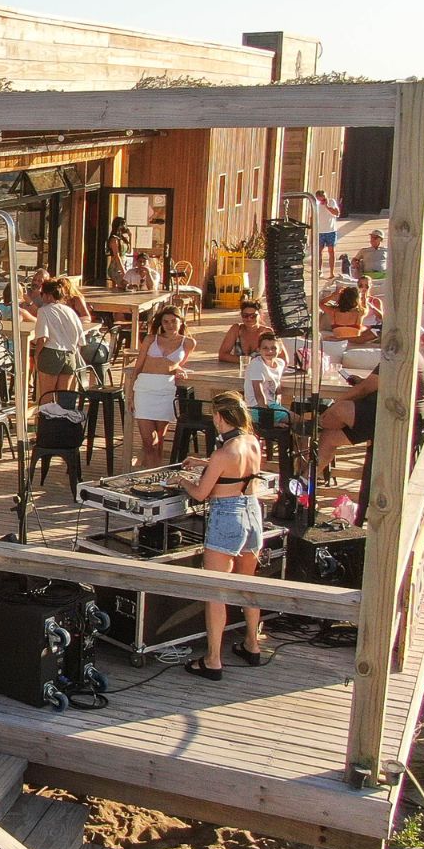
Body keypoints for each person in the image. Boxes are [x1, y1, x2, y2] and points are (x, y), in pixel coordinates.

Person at [179, 393, 265, 680]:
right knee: (247, 583)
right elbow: (234, 472)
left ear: (219, 417)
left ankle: (213, 659)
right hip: (253, 512)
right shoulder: (252, 442)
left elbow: (201, 493)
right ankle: (252, 644)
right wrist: (205, 463)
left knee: (216, 591)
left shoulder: (222, 452)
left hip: (227, 516)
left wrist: (181, 480)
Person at [130, 306, 195, 468]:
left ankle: (154, 479)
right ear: (161, 323)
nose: (170, 325)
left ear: (181, 322)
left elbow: (178, 363)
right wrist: (130, 394)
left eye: (174, 321)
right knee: (148, 442)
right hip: (144, 389)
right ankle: (149, 476)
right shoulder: (151, 339)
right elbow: (138, 367)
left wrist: (178, 369)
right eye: (166, 322)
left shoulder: (188, 342)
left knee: (159, 442)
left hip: (165, 391)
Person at [317, 370, 380, 481]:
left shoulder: (396, 355)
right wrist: (362, 381)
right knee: (329, 437)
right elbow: (373, 383)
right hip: (376, 413)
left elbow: (364, 389)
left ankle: (318, 423)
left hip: (387, 418)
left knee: (339, 410)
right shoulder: (390, 357)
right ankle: (305, 480)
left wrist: (334, 404)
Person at [30, 278, 86, 400]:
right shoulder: (70, 311)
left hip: (51, 353)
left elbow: (42, 338)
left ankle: (46, 419)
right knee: (64, 399)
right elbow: (81, 339)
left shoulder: (43, 311)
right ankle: (62, 419)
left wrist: (36, 355)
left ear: (48, 295)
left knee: (47, 397)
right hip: (70, 355)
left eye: (42, 294)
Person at [244, 331, 288, 429]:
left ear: (280, 350)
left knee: (298, 422)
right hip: (257, 409)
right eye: (265, 348)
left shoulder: (280, 363)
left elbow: (277, 386)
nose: (270, 351)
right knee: (301, 421)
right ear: (258, 350)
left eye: (273, 348)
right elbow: (259, 395)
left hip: (272, 405)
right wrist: (268, 422)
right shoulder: (256, 365)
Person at [216, 300, 279, 365]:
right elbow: (222, 355)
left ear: (260, 315)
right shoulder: (236, 329)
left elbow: (283, 358)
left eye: (253, 316)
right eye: (245, 315)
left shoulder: (267, 332)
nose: (249, 319)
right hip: (237, 371)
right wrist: (249, 361)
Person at [314, 191, 342, 277]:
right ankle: (319, 270)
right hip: (320, 231)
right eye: (320, 200)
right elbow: (312, 217)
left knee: (331, 251)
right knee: (319, 252)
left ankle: (331, 272)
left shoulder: (332, 202)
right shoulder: (315, 204)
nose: (322, 201)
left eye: (324, 199)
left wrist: (327, 206)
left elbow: (337, 213)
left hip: (331, 231)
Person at [106, 217, 133, 284]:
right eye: (123, 224)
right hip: (116, 267)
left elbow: (129, 251)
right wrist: (123, 271)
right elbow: (117, 256)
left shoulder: (122, 239)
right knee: (125, 284)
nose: (125, 227)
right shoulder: (114, 239)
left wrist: (130, 237)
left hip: (124, 265)